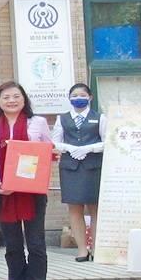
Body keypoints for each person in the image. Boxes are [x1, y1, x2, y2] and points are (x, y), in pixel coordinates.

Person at [0, 81, 52, 280]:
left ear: (24, 99)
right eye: (6, 97)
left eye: (15, 96)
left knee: (36, 244)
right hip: (4, 193)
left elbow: (47, 151)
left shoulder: (38, 123)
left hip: (32, 193)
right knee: (12, 245)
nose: (11, 101)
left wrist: (52, 154)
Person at [51, 83, 106, 262]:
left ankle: (97, 249)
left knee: (95, 208)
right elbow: (54, 142)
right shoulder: (62, 118)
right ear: (69, 99)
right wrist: (69, 147)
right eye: (74, 95)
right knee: (75, 208)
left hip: (93, 166)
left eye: (82, 94)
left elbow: (107, 141)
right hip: (70, 167)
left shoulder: (99, 118)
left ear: (90, 97)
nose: (78, 98)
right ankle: (82, 250)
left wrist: (89, 148)